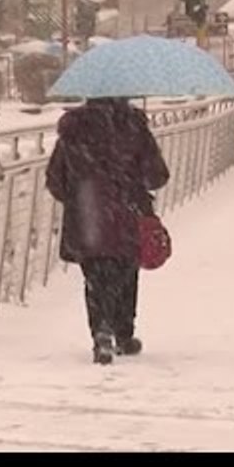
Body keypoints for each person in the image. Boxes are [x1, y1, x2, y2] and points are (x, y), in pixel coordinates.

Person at [46, 97, 169, 365]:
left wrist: (80, 195)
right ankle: (124, 333)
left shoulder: (73, 130)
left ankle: (101, 330)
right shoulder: (133, 126)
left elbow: (55, 180)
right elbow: (157, 176)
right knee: (125, 272)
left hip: (87, 216)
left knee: (96, 276)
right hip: (127, 214)